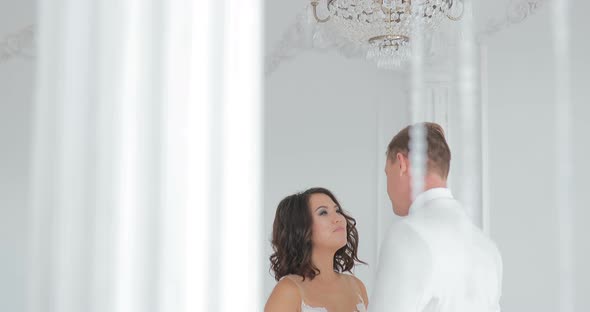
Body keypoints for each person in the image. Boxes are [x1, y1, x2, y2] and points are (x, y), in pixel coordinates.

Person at [370, 122, 503, 312]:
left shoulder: (407, 234)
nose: (388, 189)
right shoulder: (488, 248)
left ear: (401, 164)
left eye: (387, 173)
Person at [265, 187, 369, 312]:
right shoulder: (289, 291)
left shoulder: (357, 287)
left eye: (337, 210)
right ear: (301, 229)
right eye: (323, 212)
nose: (339, 218)